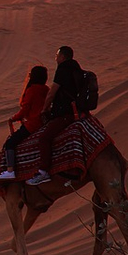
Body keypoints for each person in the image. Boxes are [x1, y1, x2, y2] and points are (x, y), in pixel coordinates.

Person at [26, 45, 83, 185]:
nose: (56, 59)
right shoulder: (77, 69)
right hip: (78, 111)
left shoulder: (63, 69)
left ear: (62, 56)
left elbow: (52, 93)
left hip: (65, 114)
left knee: (43, 138)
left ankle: (43, 172)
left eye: (57, 56)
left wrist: (44, 109)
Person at [0, 65, 49, 181]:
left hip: (33, 124)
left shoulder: (32, 90)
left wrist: (13, 118)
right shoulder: (46, 89)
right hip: (44, 123)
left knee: (10, 143)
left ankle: (10, 171)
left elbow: (25, 109)